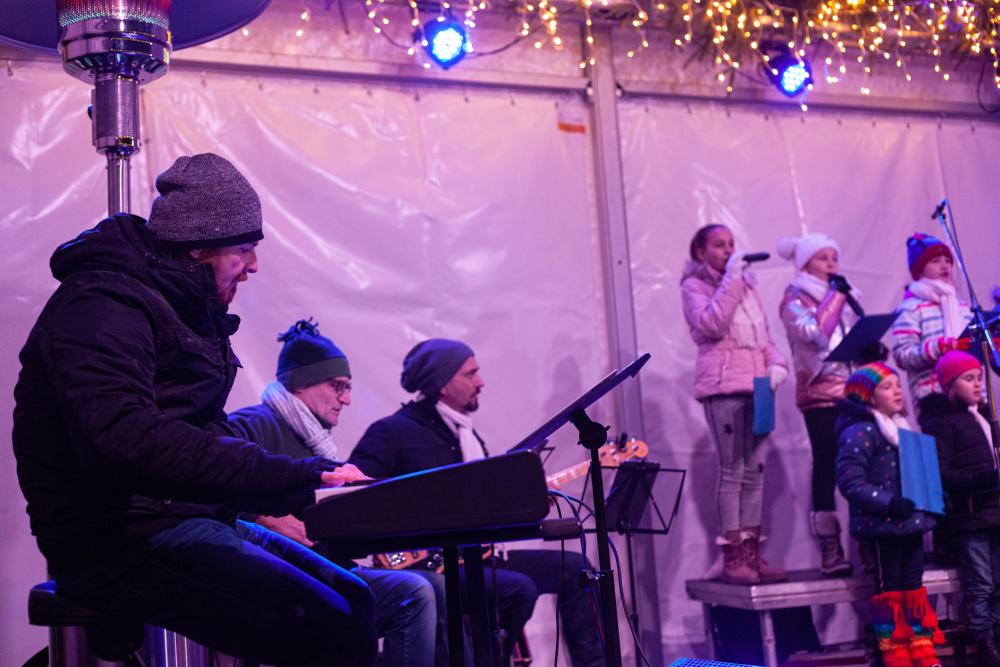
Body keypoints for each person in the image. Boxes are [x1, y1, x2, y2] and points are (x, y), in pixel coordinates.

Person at [12, 154, 376, 666]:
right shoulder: (103, 304)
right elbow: (127, 437)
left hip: (177, 516)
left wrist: (283, 492)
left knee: (357, 600)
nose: (254, 266)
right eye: (244, 249)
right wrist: (293, 477)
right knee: (326, 625)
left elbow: (201, 427)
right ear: (199, 246)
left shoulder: (178, 302)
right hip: (114, 537)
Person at [349, 339, 606, 667]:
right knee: (519, 590)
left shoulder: (465, 434)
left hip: (478, 555)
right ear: (443, 384)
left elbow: (485, 508)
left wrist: (527, 502)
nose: (481, 382)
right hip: (424, 566)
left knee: (575, 568)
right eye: (470, 374)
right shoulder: (392, 433)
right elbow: (356, 497)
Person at [225, 319, 437, 667]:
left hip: (323, 565)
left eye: (349, 388)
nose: (347, 399)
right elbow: (210, 490)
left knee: (437, 586)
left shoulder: (316, 440)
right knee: (414, 593)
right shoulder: (249, 425)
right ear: (300, 383)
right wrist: (263, 520)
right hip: (278, 574)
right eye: (338, 386)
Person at [681, 224, 789, 584]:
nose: (728, 250)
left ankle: (752, 554)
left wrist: (777, 364)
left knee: (755, 470)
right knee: (732, 470)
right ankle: (733, 557)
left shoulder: (747, 286)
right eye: (718, 245)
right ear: (701, 253)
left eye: (731, 244)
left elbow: (764, 337)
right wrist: (731, 279)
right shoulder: (694, 287)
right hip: (723, 386)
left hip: (758, 387)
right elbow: (711, 325)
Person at [835, 363, 943, 667]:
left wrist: (933, 499)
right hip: (882, 527)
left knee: (914, 588)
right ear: (868, 396)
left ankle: (921, 649)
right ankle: (894, 652)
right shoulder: (860, 432)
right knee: (890, 589)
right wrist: (888, 502)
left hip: (911, 524)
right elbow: (850, 482)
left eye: (898, 385)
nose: (897, 391)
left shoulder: (903, 428)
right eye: (887, 387)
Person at [777, 232, 859, 577]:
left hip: (853, 392)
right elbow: (816, 335)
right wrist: (836, 297)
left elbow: (849, 338)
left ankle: (868, 543)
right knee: (826, 464)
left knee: (859, 465)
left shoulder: (843, 296)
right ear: (805, 264)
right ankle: (830, 547)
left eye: (834, 257)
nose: (831, 264)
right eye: (823, 258)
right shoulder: (794, 299)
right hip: (820, 393)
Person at [918, 351, 1000, 665]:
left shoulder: (985, 416)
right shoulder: (942, 422)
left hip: (994, 512)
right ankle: (983, 639)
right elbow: (943, 473)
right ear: (950, 386)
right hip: (971, 517)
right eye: (969, 379)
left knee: (998, 582)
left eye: (979, 378)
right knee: (981, 583)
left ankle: (997, 631)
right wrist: (985, 479)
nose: (978, 385)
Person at [892, 233, 970, 410]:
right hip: (933, 396)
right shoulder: (910, 308)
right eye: (935, 261)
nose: (944, 265)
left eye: (947, 261)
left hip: (970, 396)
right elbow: (902, 356)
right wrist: (939, 348)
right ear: (919, 269)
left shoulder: (962, 306)